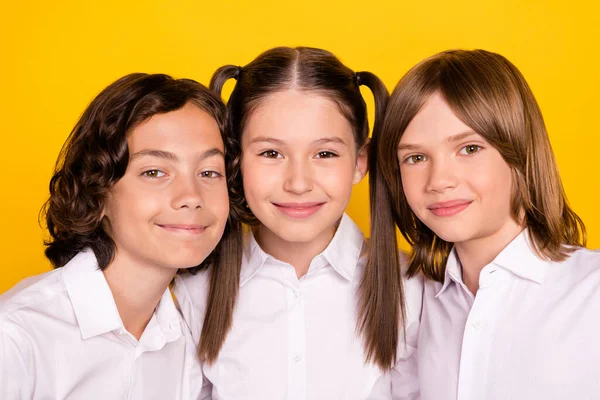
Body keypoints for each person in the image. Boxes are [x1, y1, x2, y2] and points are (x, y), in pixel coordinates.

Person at [174, 46, 423, 399]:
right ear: (235, 159)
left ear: (360, 161)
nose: (298, 182)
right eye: (271, 153)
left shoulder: (416, 290)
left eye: (325, 154)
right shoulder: (192, 291)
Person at [371, 48, 600, 399]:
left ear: (519, 150)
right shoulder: (413, 302)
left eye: (469, 149)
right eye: (415, 158)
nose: (439, 180)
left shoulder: (591, 293)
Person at [0, 73, 237, 399]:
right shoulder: (15, 338)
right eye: (154, 172)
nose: (191, 195)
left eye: (209, 172)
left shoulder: (189, 342)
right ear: (98, 192)